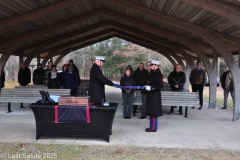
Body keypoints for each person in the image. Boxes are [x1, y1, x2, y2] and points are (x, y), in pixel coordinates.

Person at [145, 60, 163, 132]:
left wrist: (152, 87)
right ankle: (151, 127)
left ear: (156, 66)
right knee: (151, 112)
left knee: (154, 112)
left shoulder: (158, 74)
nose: (151, 66)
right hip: (151, 95)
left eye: (152, 65)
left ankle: (153, 128)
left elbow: (160, 85)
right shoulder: (153, 73)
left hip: (155, 95)